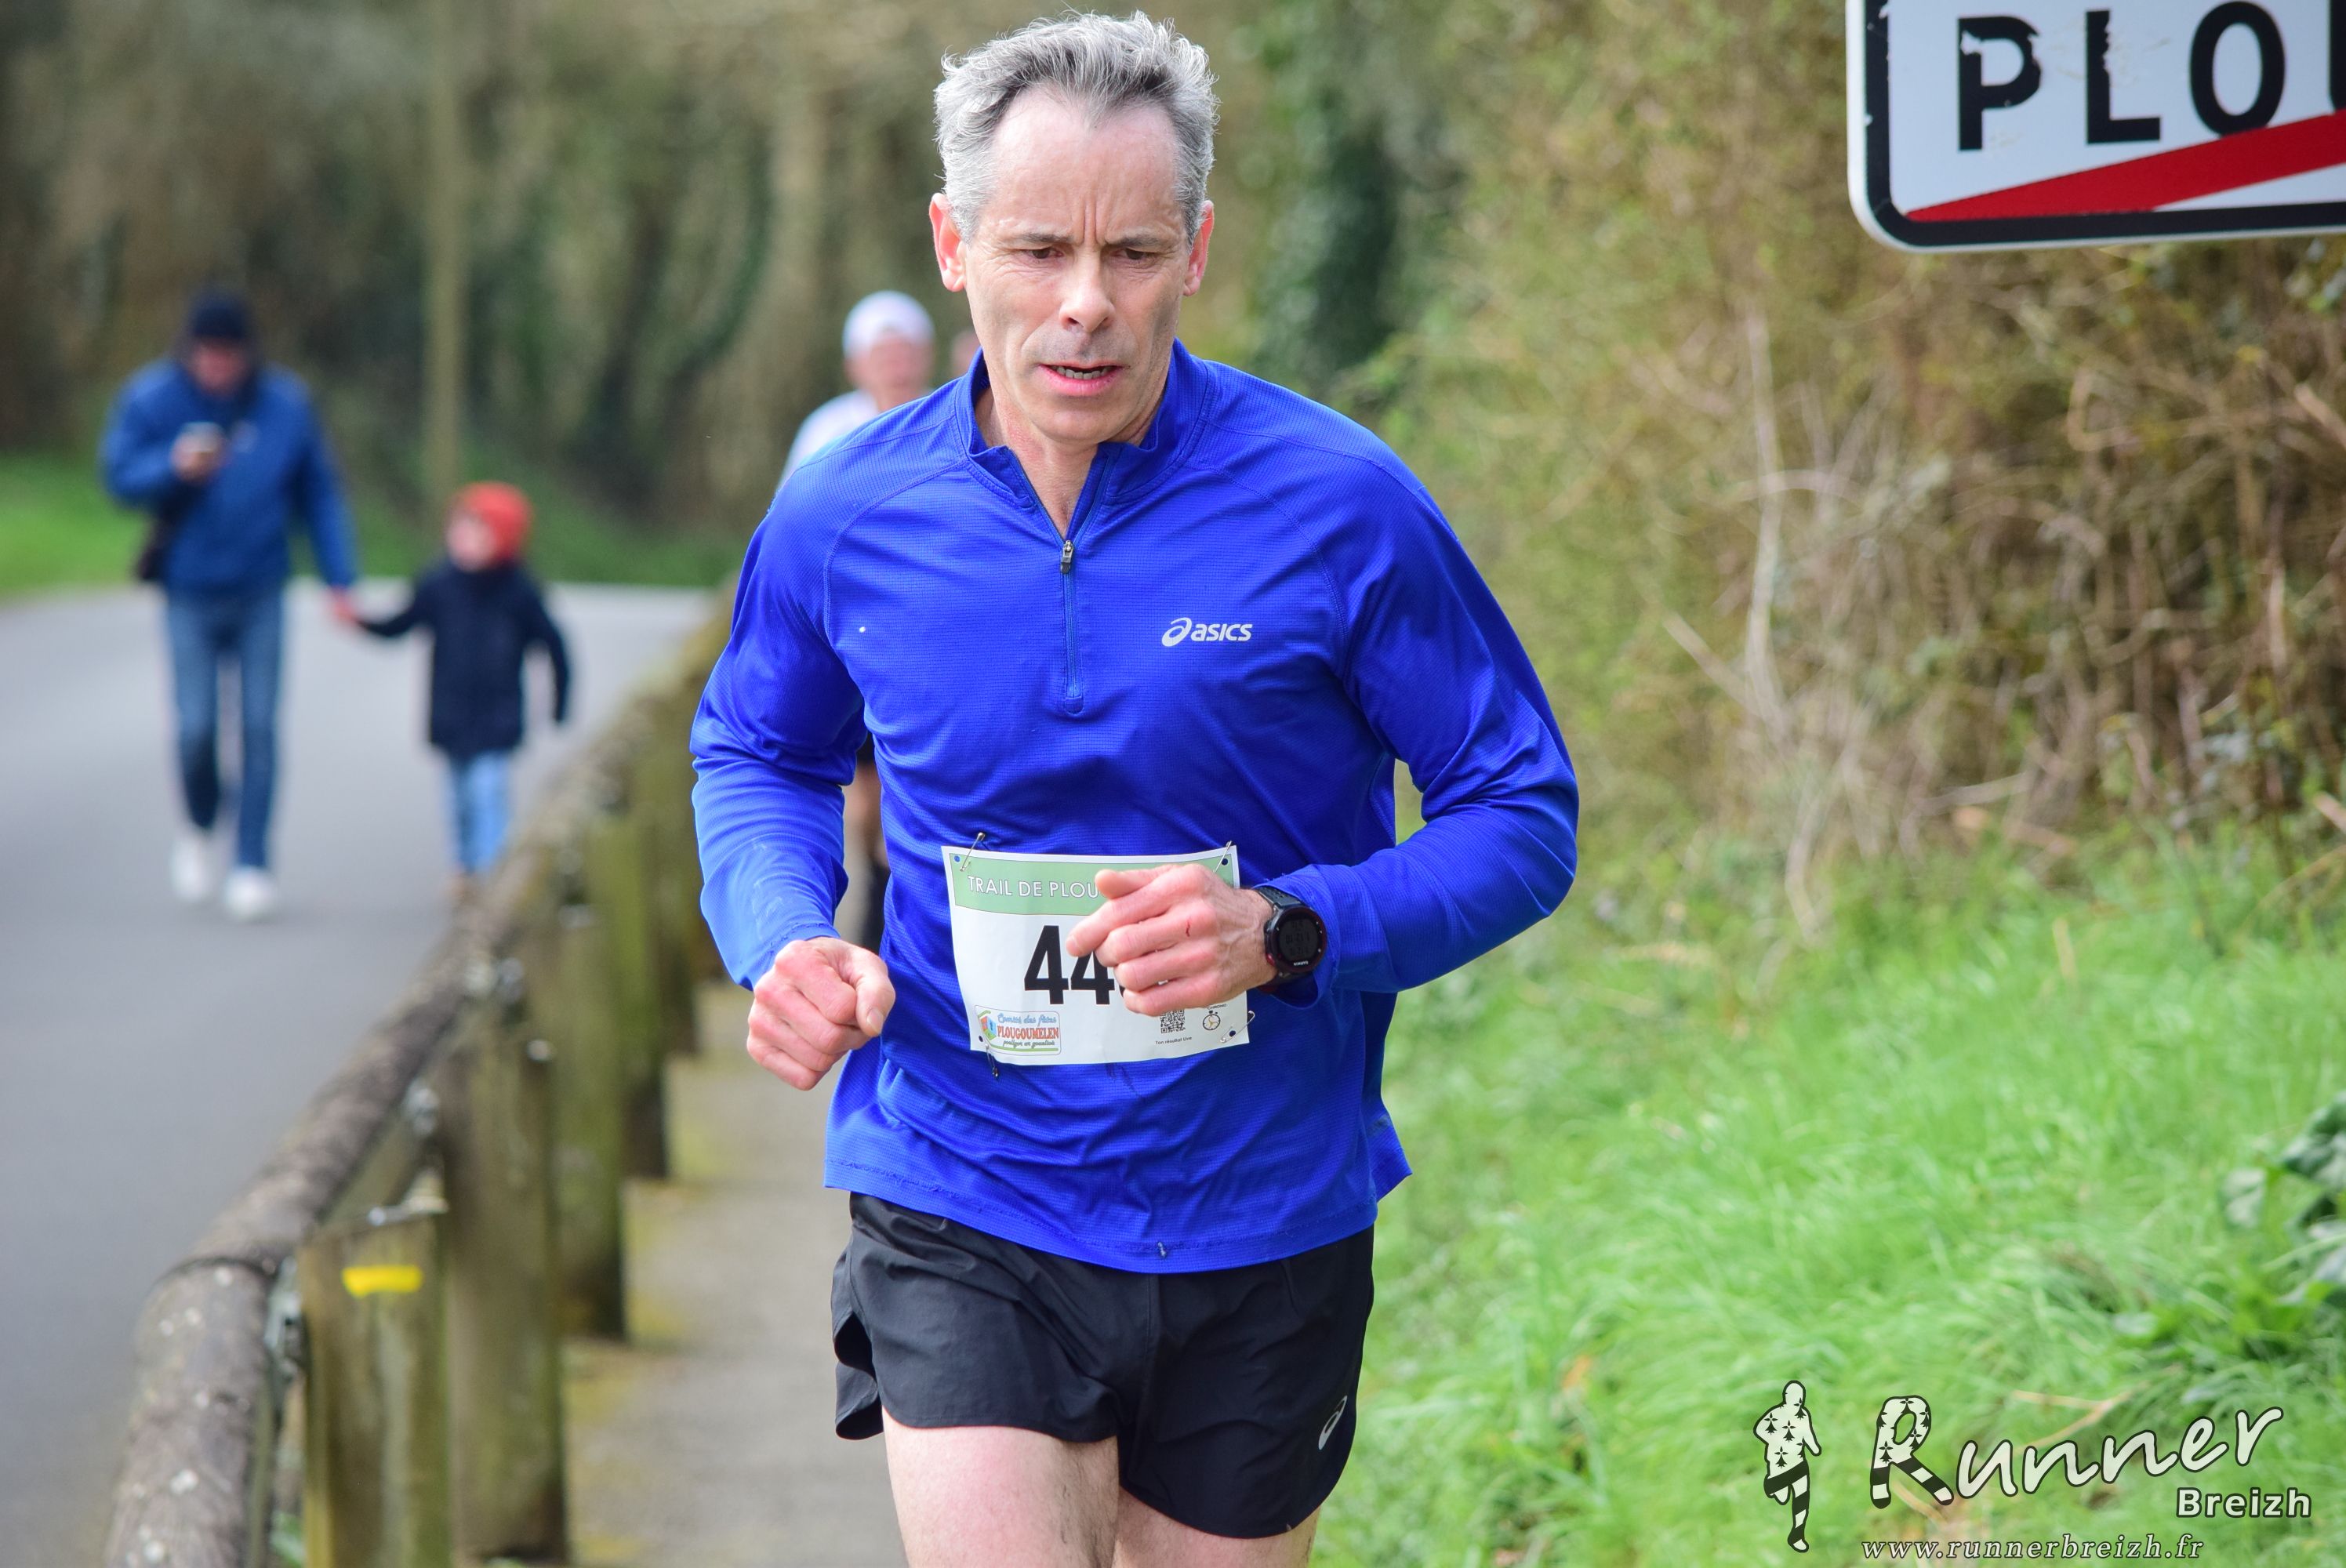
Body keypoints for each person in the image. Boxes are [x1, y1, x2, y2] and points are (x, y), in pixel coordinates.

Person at [691, 13, 1578, 1567]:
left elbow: (1519, 810)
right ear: (953, 246)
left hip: (1260, 1208)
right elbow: (759, 749)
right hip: (960, 1181)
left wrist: (1287, 930)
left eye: (1134, 253)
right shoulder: (845, 513)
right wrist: (782, 934)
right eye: (1038, 250)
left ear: (1198, 252)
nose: (1085, 304)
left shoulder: (1338, 505)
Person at [100, 288, 361, 922]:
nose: (216, 365)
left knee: (260, 727)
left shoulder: (284, 405)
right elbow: (118, 476)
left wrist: (340, 579)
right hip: (189, 590)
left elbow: (320, 494)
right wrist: (172, 468)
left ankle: (252, 862)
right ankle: (199, 823)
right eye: (206, 353)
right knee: (195, 728)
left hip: (261, 587)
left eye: (227, 354)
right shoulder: (153, 398)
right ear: (189, 350)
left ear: (247, 353)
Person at [778, 289, 942, 950]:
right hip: (851, 642)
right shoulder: (827, 437)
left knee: (911, 792)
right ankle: (868, 911)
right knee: (864, 797)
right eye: (882, 353)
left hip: (926, 642)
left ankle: (895, 920)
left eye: (906, 352)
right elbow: (790, 542)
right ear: (856, 365)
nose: (896, 365)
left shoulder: (957, 424)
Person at [354, 482, 570, 896]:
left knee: (487, 791)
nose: (465, 539)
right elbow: (401, 623)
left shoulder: (519, 591)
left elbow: (553, 646)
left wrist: (560, 702)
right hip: (450, 713)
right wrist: (360, 622)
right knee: (457, 800)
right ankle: (464, 866)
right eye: (460, 529)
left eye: (478, 532)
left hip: (498, 717)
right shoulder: (439, 583)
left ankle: (493, 872)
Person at [779, 289, 939, 484]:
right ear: (853, 367)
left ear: (928, 356)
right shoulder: (827, 431)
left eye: (906, 354)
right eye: (882, 358)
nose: (897, 370)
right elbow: (796, 498)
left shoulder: (951, 419)